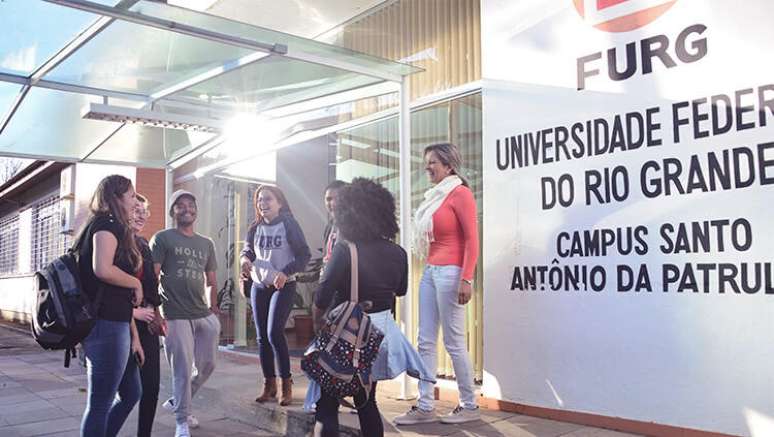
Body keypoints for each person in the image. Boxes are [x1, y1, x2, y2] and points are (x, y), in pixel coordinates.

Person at [310, 177, 435, 437]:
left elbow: (322, 295)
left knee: (327, 403)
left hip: (347, 335)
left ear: (348, 212)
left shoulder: (345, 250)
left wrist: (318, 322)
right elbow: (400, 290)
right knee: (367, 401)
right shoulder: (398, 253)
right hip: (379, 335)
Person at [394, 143, 481, 425]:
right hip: (431, 271)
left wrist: (466, 278)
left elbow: (472, 240)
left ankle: (469, 405)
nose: (427, 167)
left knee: (454, 342)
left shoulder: (460, 193)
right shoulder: (434, 197)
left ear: (449, 166)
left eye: (433, 162)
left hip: (452, 273)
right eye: (426, 161)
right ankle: (425, 405)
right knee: (425, 340)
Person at [150, 190, 221, 437]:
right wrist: (156, 313)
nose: (186, 209)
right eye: (180, 206)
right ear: (173, 212)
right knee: (181, 369)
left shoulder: (206, 243)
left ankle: (179, 401)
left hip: (202, 312)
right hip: (175, 313)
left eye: (190, 205)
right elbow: (153, 277)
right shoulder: (163, 238)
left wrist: (213, 309)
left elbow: (211, 280)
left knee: (208, 364)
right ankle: (182, 420)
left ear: (196, 210)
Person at [78, 174, 143, 437]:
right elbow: (102, 269)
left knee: (131, 393)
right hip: (106, 325)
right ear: (116, 198)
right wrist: (135, 283)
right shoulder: (106, 224)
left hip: (117, 322)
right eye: (132, 196)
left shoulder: (110, 225)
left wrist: (134, 336)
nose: (136, 201)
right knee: (100, 404)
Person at [240, 185, 311, 406]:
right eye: (260, 200)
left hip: (283, 286)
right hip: (259, 285)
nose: (263, 203)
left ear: (279, 203)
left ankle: (285, 384)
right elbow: (248, 250)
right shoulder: (255, 227)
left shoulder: (288, 224)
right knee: (262, 337)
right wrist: (244, 259)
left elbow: (304, 255)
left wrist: (286, 272)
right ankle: (268, 385)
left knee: (274, 333)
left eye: (268, 199)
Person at [125, 194, 163, 437]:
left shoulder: (143, 244)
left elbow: (151, 285)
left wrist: (156, 315)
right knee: (121, 391)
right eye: (135, 209)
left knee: (151, 386)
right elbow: (105, 289)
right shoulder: (114, 243)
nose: (140, 215)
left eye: (144, 211)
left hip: (145, 324)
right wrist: (133, 312)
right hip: (119, 323)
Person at [322, 180, 347, 266]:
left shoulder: (355, 228)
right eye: (328, 199)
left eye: (338, 198)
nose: (333, 203)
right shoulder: (329, 226)